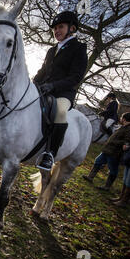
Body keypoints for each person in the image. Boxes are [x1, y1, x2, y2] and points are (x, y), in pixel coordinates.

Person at [33, 11, 88, 171]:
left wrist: (54, 86)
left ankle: (50, 154)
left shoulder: (79, 48)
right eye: (55, 28)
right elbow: (43, 70)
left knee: (60, 112)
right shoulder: (51, 50)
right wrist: (33, 83)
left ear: (72, 28)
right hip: (43, 89)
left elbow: (76, 76)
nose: (57, 31)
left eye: (60, 27)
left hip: (63, 93)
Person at [82, 112, 130, 191]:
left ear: (124, 119)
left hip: (115, 152)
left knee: (113, 169)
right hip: (107, 150)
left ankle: (107, 186)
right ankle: (90, 177)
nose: (120, 118)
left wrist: (113, 142)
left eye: (121, 117)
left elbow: (128, 141)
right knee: (98, 161)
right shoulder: (124, 126)